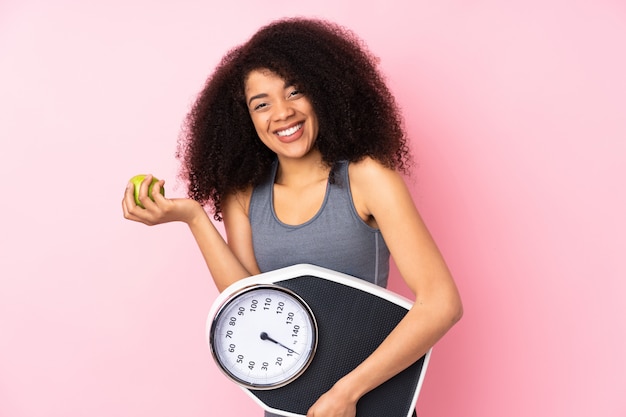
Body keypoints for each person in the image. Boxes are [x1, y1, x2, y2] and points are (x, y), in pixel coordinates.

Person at [122, 17, 462, 417]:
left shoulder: (368, 177)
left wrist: (346, 393)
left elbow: (441, 304)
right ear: (244, 119)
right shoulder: (244, 192)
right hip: (287, 406)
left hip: (370, 402)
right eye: (261, 104)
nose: (282, 113)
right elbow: (248, 304)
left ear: (323, 92)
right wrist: (194, 218)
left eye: (295, 92)